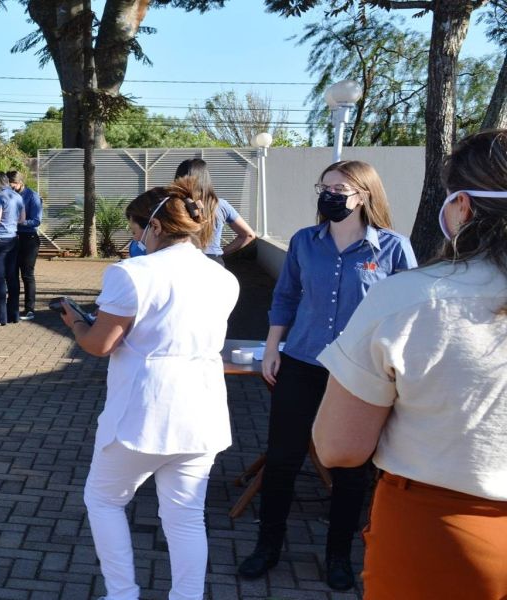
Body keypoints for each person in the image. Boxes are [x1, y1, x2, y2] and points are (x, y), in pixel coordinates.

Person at [312, 130, 507, 599]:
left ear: (462, 205)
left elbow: (338, 447)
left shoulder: (411, 296)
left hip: (444, 535)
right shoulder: (308, 243)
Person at [238, 160, 417, 590]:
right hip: (302, 362)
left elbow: (410, 310)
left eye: (340, 189)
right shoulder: (305, 241)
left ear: (364, 195)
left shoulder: (393, 248)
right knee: (282, 458)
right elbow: (286, 295)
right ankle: (267, 546)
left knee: (350, 468)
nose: (330, 195)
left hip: (359, 373)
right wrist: (271, 348)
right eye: (325, 187)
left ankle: (338, 555)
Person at [60, 178, 238, 600]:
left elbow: (100, 345)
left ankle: (122, 593)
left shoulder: (131, 274)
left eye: (136, 229)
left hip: (144, 412)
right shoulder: (223, 277)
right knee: (186, 517)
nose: (134, 239)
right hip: (202, 412)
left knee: (104, 501)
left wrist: (76, 322)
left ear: (155, 227)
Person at [173, 159, 256, 263]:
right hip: (213, 261)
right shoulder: (220, 205)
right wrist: (221, 252)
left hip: (180, 261)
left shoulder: (170, 205)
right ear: (206, 179)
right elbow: (249, 235)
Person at [0, 171, 24, 326]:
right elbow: (22, 219)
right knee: (12, 277)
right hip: (13, 239)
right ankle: (13, 314)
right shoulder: (17, 197)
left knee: (0, 279)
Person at [7, 170, 42, 320]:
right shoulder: (9, 195)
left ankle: (29, 309)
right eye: (9, 183)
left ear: (20, 182)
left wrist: (21, 222)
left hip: (28, 238)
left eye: (13, 184)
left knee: (27, 274)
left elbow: (37, 220)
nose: (11, 186)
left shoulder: (32, 196)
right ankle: (12, 308)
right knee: (12, 273)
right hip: (13, 237)